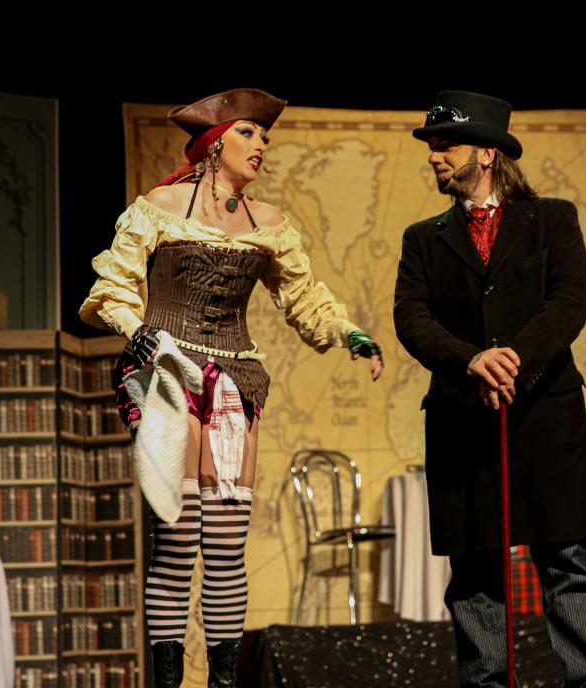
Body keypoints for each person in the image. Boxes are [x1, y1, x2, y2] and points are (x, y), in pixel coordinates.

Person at [79, 88, 383, 688]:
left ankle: (222, 682)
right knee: (177, 540)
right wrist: (139, 333)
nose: (261, 144)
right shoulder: (162, 206)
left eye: (265, 136)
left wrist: (348, 334)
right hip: (168, 373)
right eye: (249, 133)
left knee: (225, 543)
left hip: (235, 379)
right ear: (215, 145)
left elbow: (303, 299)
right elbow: (112, 287)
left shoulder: (268, 224)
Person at [393, 90, 586, 687]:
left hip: (545, 414)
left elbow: (570, 300)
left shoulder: (552, 219)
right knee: (474, 573)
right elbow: (411, 317)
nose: (435, 156)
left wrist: (512, 359)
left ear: (487, 154)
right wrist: (471, 361)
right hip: (463, 420)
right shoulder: (423, 238)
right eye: (433, 147)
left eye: (447, 145)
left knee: (566, 562)